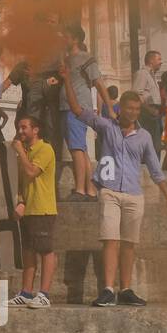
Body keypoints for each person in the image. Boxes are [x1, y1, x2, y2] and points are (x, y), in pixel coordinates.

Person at [59, 62, 167, 308]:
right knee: (110, 239)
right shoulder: (107, 126)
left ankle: (126, 289)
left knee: (129, 244)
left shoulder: (144, 136)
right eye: (129, 108)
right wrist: (67, 80)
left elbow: (155, 169)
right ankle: (107, 289)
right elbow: (77, 109)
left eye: (137, 108)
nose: (133, 112)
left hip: (134, 194)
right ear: (119, 108)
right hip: (110, 191)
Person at [8, 114, 57, 308]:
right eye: (19, 128)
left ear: (35, 130)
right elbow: (20, 181)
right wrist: (20, 201)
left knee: (46, 250)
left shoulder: (45, 149)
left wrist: (19, 151)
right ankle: (26, 292)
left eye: (24, 127)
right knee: (27, 252)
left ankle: (44, 293)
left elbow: (31, 172)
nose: (20, 131)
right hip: (27, 209)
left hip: (43, 208)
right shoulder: (24, 152)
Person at [59, 24, 113, 201]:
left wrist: (109, 107)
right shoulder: (67, 59)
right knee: (80, 148)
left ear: (75, 39)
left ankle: (81, 189)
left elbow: (98, 82)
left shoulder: (84, 58)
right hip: (68, 106)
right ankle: (90, 190)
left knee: (76, 148)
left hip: (77, 108)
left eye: (66, 36)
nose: (63, 40)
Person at [131, 51, 164, 157]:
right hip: (147, 113)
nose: (161, 62)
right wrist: (149, 109)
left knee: (156, 144)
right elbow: (135, 94)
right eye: (158, 59)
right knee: (148, 143)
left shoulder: (152, 75)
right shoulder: (142, 74)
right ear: (151, 60)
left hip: (154, 113)